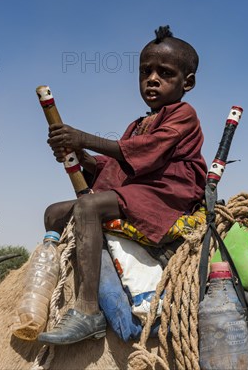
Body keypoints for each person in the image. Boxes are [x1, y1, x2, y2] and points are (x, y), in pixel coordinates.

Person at [37, 25, 207, 345]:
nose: (152, 79)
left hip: (168, 194)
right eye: (145, 71)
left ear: (188, 82)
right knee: (54, 212)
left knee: (88, 205)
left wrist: (81, 137)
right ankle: (49, 288)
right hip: (139, 190)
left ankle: (88, 311)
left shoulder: (184, 114)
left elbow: (148, 152)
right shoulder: (138, 122)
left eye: (165, 73)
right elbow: (116, 166)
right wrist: (79, 154)